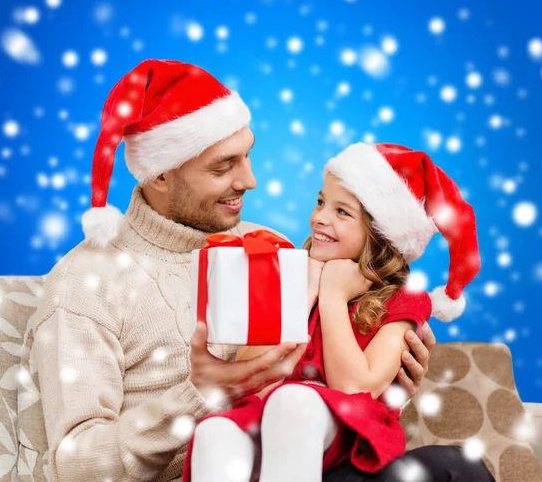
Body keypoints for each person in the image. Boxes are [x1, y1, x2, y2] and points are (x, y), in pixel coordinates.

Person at [30, 59, 485, 482]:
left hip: (296, 454)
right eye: (223, 167)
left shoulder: (271, 246)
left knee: (453, 469)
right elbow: (75, 465)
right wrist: (197, 396)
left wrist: (390, 385)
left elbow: (323, 385)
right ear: (161, 174)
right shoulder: (85, 285)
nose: (249, 181)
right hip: (218, 460)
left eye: (247, 156)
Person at [183, 142, 495, 482]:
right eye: (320, 202)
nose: (319, 217)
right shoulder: (288, 274)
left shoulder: (405, 300)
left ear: (381, 234)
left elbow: (353, 388)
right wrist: (303, 295)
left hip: (346, 432)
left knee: (293, 401)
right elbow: (253, 382)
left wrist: (332, 294)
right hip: (268, 423)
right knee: (216, 432)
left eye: (341, 212)